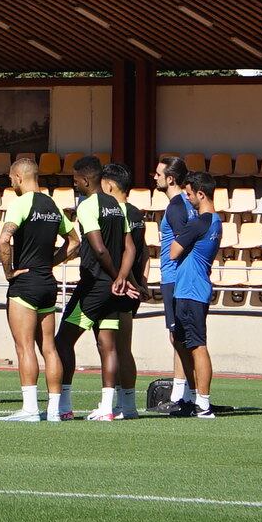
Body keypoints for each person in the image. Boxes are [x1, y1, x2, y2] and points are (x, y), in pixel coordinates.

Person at [0, 154, 74, 422]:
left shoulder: (20, 204)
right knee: (49, 348)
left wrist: (9, 272)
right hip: (47, 282)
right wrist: (52, 262)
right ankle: (54, 410)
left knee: (25, 347)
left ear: (19, 177)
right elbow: (74, 242)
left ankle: (30, 408)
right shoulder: (53, 205)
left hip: (26, 283)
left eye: (11, 178)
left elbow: (4, 240)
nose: (11, 183)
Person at [51, 155, 103, 419]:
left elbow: (96, 247)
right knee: (109, 346)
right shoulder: (116, 206)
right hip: (111, 285)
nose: (74, 185)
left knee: (62, 341)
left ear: (85, 180)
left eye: (74, 180)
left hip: (93, 285)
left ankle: (65, 405)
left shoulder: (87, 207)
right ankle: (116, 406)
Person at [167, 172, 223, 418]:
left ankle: (203, 402)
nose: (187, 198)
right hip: (192, 289)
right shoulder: (215, 221)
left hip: (192, 290)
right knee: (185, 343)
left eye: (189, 194)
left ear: (201, 194)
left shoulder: (200, 222)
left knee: (197, 345)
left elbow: (173, 251)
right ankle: (192, 398)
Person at [100, 164, 147, 420]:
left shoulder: (116, 213)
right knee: (123, 347)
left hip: (119, 285)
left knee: (112, 347)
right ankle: (126, 404)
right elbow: (145, 251)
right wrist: (143, 282)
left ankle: (118, 403)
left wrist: (128, 280)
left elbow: (122, 253)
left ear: (109, 185)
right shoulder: (138, 213)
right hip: (132, 285)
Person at [154, 156, 195, 410]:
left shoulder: (177, 207)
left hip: (174, 277)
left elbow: (185, 241)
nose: (155, 177)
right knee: (178, 336)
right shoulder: (184, 205)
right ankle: (183, 394)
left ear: (170, 179)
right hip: (178, 278)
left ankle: (186, 395)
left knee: (179, 337)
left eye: (158, 174)